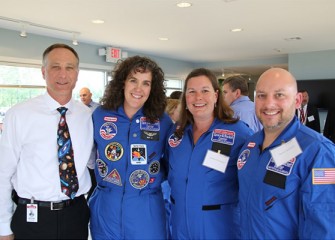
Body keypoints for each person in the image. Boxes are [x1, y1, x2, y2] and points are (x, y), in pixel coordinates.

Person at [0, 43, 93, 239]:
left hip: (76, 214)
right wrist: (3, 228)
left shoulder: (87, 116)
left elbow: (92, 161)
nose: (63, 74)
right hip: (32, 216)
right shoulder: (19, 114)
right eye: (55, 67)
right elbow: (3, 173)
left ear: (77, 73)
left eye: (69, 68)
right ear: (43, 72)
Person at [237, 68, 335, 239]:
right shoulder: (250, 145)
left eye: (279, 95)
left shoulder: (318, 151)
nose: (269, 104)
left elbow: (324, 224)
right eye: (261, 95)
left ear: (297, 100)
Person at [89, 55, 173, 239]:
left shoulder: (163, 121)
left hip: (146, 208)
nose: (138, 89)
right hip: (106, 207)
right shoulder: (100, 115)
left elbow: (172, 161)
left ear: (153, 88)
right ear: (122, 83)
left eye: (146, 83)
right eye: (133, 80)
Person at [165, 68, 253, 239]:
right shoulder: (176, 133)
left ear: (216, 95)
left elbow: (252, 184)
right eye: (192, 92)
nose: (198, 97)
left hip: (219, 227)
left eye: (205, 91)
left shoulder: (239, 133)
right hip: (180, 225)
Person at [79, 87, 99, 200]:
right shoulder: (77, 109)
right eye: (81, 95)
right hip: (83, 145)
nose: (82, 97)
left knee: (94, 178)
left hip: (95, 146)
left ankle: (90, 200)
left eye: (85, 95)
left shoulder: (98, 109)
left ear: (90, 95)